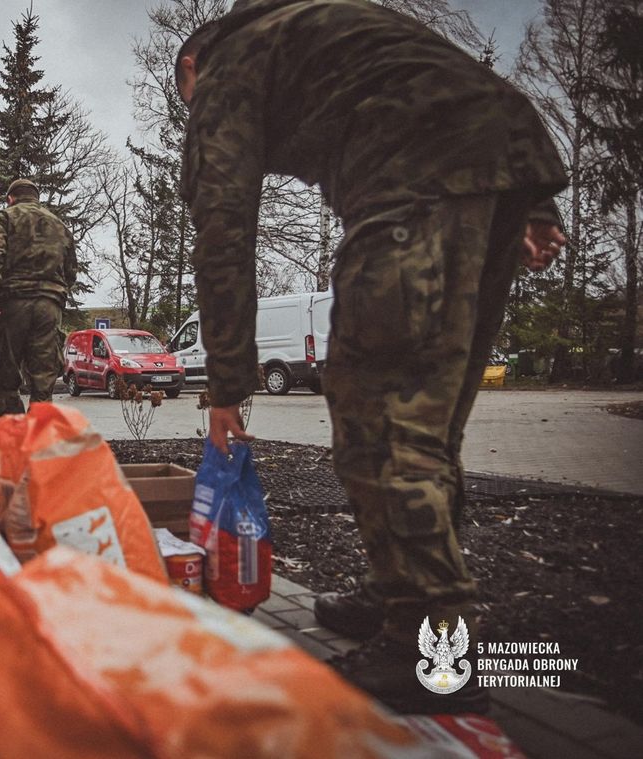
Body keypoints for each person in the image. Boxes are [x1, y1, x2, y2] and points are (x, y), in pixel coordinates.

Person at [176, 0, 567, 714]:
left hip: (412, 189)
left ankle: (431, 647)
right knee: (430, 422)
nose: (194, 116)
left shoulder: (228, 61)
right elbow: (459, 84)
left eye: (187, 102)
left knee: (379, 419)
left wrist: (225, 383)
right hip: (503, 163)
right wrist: (535, 206)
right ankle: (401, 596)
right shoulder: (324, 26)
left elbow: (222, 226)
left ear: (191, 65)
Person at [0, 178, 77, 416]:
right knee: (44, 377)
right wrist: (55, 293)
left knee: (8, 373)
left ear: (10, 198)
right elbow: (71, 270)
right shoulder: (59, 225)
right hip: (49, 305)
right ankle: (39, 439)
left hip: (14, 302)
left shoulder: (3, 217)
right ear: (36, 197)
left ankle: (12, 435)